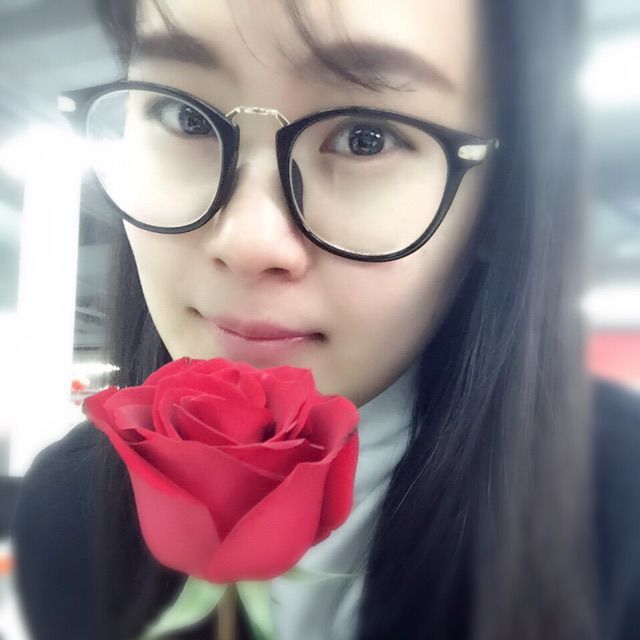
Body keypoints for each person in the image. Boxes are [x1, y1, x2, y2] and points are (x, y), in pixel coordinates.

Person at [10, 0, 640, 639]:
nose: (247, 242)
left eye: (367, 136)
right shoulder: (66, 510)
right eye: (184, 117)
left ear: (500, 199)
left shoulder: (621, 508)